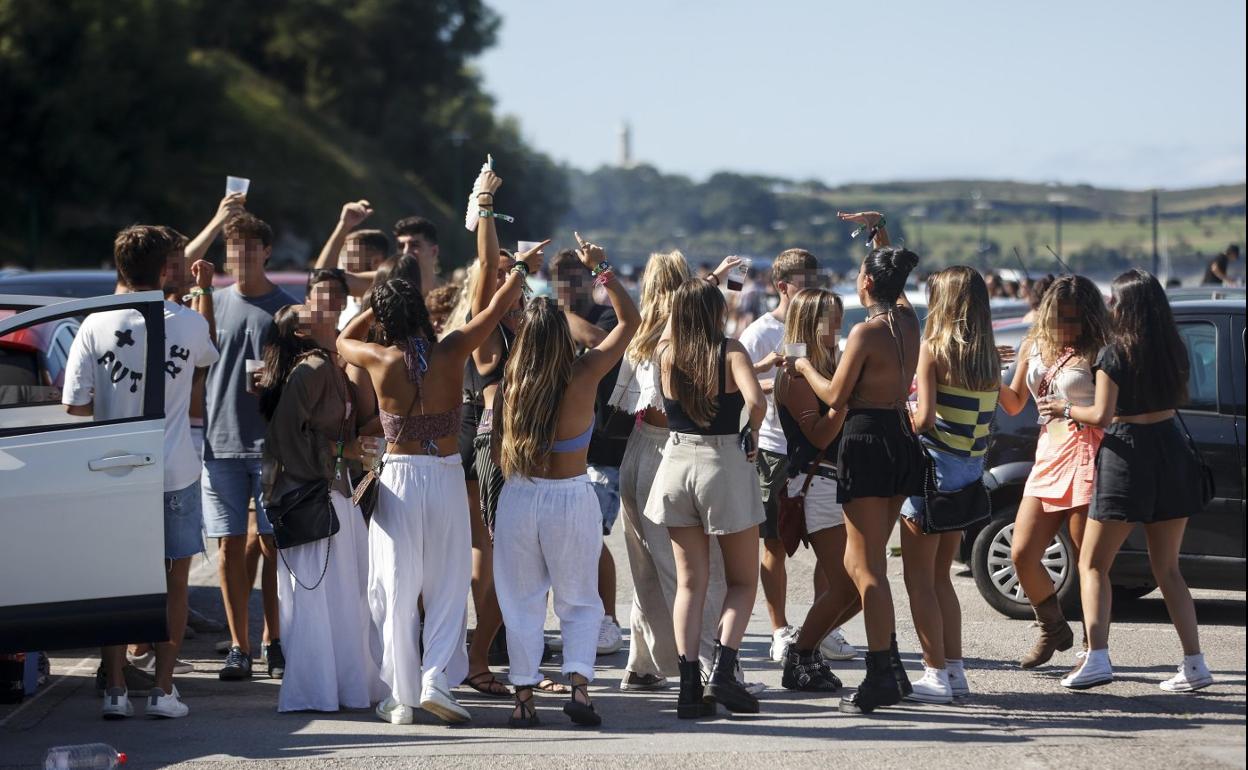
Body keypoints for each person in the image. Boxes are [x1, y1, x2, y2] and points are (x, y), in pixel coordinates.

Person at [337, 243, 543, 725]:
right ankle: (436, 680)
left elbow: (342, 339)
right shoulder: (452, 349)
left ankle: (399, 695)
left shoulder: (378, 358)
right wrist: (519, 269)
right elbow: (493, 310)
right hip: (447, 472)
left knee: (394, 584)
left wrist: (376, 306)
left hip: (400, 479)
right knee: (449, 580)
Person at [63, 225, 219, 719]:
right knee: (175, 580)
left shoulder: (96, 323)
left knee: (116, 581)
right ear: (167, 269)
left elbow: (74, 406)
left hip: (112, 472)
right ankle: (163, 691)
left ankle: (114, 689)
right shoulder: (190, 323)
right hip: (174, 468)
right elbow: (206, 362)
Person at [493, 233, 639, 728]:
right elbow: (631, 323)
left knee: (521, 603)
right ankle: (579, 689)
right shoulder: (584, 375)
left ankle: (524, 701)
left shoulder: (508, 383)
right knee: (580, 600)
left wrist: (517, 267)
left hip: (519, 497)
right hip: (570, 499)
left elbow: (489, 314)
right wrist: (601, 269)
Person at [1051, 269, 1212, 692]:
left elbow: (1101, 415)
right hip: (1171, 450)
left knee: (1092, 563)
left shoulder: (1114, 352)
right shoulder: (1173, 349)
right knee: (1169, 570)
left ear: (1125, 306)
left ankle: (1098, 658)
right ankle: (1195, 664)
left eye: (1114, 301)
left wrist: (1064, 410)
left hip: (1128, 453)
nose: (1109, 306)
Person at [789, 211, 922, 714]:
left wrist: (801, 364)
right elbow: (897, 281)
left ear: (865, 282)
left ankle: (882, 671)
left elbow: (835, 397)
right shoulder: (907, 318)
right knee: (861, 561)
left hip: (866, 438)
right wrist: (879, 235)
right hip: (898, 437)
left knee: (865, 569)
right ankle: (890, 668)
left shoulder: (867, 333)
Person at [610, 252, 739, 692]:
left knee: (646, 564)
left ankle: (644, 661)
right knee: (697, 570)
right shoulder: (681, 337)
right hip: (672, 450)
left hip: (637, 450)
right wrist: (714, 283)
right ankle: (706, 662)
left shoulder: (642, 330)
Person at [644, 278, 767, 717]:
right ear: (717, 311)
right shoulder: (730, 350)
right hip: (722, 463)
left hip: (676, 461)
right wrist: (750, 432)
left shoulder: (665, 351)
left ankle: (689, 687)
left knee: (690, 583)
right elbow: (756, 401)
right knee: (741, 580)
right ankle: (725, 673)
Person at [258, 294, 381, 713]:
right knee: (319, 602)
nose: (325, 307)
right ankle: (316, 692)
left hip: (335, 495)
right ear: (301, 331)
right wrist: (344, 453)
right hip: (312, 498)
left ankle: (346, 688)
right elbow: (284, 439)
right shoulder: (309, 369)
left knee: (347, 597)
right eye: (314, 308)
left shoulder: (331, 365)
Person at [738, 248, 855, 664]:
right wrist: (788, 380)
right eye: (804, 283)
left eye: (816, 281)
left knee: (828, 549)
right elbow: (739, 388)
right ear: (781, 286)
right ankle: (779, 629)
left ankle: (825, 628)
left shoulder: (826, 333)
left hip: (822, 453)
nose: (812, 290)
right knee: (774, 544)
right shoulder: (760, 333)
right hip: (775, 446)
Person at [898, 266, 1001, 703]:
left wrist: (900, 413)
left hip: (932, 474)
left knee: (917, 579)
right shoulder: (989, 356)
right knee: (941, 578)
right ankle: (954, 670)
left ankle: (934, 673)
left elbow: (922, 421)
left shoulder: (933, 349)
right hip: (967, 476)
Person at [202, 211, 296, 681]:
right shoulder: (212, 302)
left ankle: (273, 639)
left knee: (273, 545)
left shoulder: (285, 309)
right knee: (227, 547)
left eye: (248, 248)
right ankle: (238, 645)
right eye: (232, 249)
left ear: (266, 252)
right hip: (219, 444)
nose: (239, 257)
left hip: (269, 445)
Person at [998, 275, 1110, 670]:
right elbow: (1013, 404)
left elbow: (1110, 409)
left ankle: (1090, 648)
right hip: (1047, 455)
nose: (1067, 326)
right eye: (1061, 317)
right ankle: (1052, 627)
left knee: (1088, 561)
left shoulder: (1098, 349)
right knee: (1022, 553)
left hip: (1087, 454)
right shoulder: (1034, 343)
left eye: (1076, 318)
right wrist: (988, 372)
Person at [773, 288, 864, 693]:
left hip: (838, 483)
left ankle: (807, 650)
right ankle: (801, 652)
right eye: (831, 318)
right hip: (816, 483)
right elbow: (822, 433)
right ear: (811, 323)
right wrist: (845, 396)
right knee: (849, 585)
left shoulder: (828, 365)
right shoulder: (794, 374)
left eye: (841, 315)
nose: (839, 325)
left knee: (859, 588)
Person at [549, 248, 630, 656]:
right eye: (560, 277)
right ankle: (580, 619)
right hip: (561, 447)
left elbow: (601, 345)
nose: (566, 285)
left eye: (574, 277)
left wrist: (559, 315)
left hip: (602, 449)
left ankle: (608, 620)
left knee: (591, 537)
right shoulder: (549, 321)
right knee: (566, 541)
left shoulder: (602, 317)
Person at [458, 170, 513, 698]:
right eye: (505, 276)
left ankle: (484, 654)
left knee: (493, 551)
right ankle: (479, 658)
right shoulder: (487, 331)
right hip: (486, 446)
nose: (512, 279)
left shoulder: (521, 327)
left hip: (499, 446)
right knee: (495, 550)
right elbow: (483, 268)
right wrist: (485, 204)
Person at [394, 215, 440, 293]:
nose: (405, 252)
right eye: (401, 246)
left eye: (414, 245)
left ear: (434, 252)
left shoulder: (453, 298)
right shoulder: (390, 294)